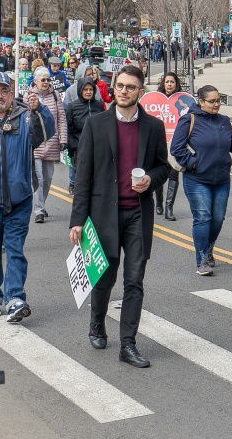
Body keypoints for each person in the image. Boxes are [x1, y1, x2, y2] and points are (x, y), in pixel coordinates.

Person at [69, 65, 169, 368]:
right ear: (113, 87)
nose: (124, 91)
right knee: (104, 279)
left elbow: (164, 167)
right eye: (120, 85)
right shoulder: (96, 124)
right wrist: (77, 220)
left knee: (135, 281)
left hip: (138, 214)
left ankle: (128, 343)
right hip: (103, 216)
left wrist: (151, 179)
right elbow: (83, 175)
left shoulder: (152, 127)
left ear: (140, 91)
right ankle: (96, 323)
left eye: (131, 87)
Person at [0, 71, 53, 322]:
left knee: (15, 249)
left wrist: (39, 108)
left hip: (19, 199)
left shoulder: (26, 119)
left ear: (11, 94)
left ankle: (15, 297)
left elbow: (46, 131)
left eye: (4, 91)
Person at [171, 85, 232, 275]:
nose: (216, 104)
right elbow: (176, 148)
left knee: (218, 218)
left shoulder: (224, 121)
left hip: (222, 179)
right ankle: (202, 260)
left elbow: (231, 142)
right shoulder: (189, 119)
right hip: (197, 179)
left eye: (218, 100)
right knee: (203, 218)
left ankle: (209, 247)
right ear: (200, 102)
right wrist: (194, 163)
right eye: (212, 101)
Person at [29, 68, 67, 224]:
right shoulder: (28, 96)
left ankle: (41, 203)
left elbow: (61, 120)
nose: (46, 82)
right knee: (38, 178)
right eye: (43, 80)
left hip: (51, 143)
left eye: (48, 79)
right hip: (36, 144)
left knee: (48, 178)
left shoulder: (55, 96)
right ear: (36, 81)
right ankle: (39, 210)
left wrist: (63, 139)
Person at [153, 71, 184, 218]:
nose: (170, 84)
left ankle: (169, 207)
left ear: (176, 83)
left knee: (174, 173)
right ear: (163, 84)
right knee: (159, 174)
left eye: (172, 82)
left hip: (175, 143)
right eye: (167, 82)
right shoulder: (155, 99)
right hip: (158, 142)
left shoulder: (181, 100)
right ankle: (158, 203)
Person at [65, 76, 99, 194]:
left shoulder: (98, 105)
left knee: (97, 178)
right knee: (82, 179)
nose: (88, 92)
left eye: (91, 89)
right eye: (85, 90)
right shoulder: (73, 107)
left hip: (97, 148)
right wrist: (73, 145)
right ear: (80, 90)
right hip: (79, 148)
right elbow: (67, 128)